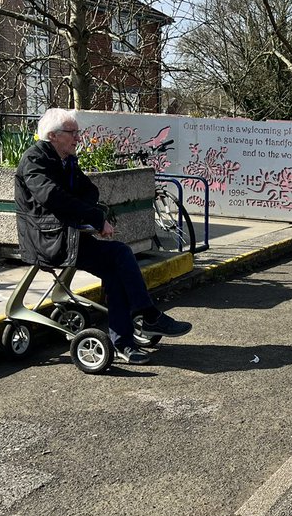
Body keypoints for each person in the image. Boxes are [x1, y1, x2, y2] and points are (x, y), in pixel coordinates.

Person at [15, 107, 191, 366]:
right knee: (119, 255)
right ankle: (147, 316)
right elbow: (51, 196)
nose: (77, 137)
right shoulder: (35, 160)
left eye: (77, 132)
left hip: (68, 234)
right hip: (47, 241)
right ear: (53, 136)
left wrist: (86, 212)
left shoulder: (65, 160)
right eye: (71, 132)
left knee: (115, 267)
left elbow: (90, 191)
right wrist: (95, 218)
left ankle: (123, 342)